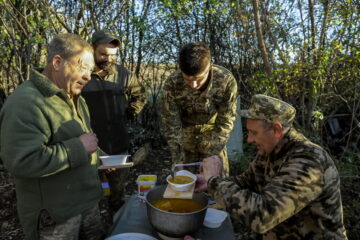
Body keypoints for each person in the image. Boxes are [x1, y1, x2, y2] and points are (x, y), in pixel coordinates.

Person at [194, 94, 348, 239]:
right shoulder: (269, 150)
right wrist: (207, 183)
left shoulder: (308, 161)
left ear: (277, 130)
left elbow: (263, 215)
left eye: (254, 133)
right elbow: (246, 183)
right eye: (248, 132)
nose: (249, 140)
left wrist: (215, 182)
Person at [0, 34, 105, 239]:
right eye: (82, 67)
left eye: (90, 70)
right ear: (57, 62)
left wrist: (100, 156)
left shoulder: (75, 97)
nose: (88, 76)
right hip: (57, 217)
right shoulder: (25, 103)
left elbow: (81, 138)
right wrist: (79, 148)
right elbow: (22, 161)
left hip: (87, 203)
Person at [81, 30, 147, 212]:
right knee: (90, 198)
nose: (108, 59)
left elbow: (140, 95)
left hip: (117, 143)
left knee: (117, 194)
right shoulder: (81, 73)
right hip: (88, 146)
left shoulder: (122, 74)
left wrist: (127, 113)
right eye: (103, 54)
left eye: (113, 55)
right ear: (91, 49)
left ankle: (116, 223)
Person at [162, 42, 238, 175]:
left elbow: (226, 121)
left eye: (198, 79)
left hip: (214, 141)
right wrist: (178, 159)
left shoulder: (225, 81)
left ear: (210, 66)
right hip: (185, 147)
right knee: (185, 189)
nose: (193, 85)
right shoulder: (172, 83)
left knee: (217, 187)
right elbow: (171, 124)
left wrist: (212, 155)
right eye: (187, 80)